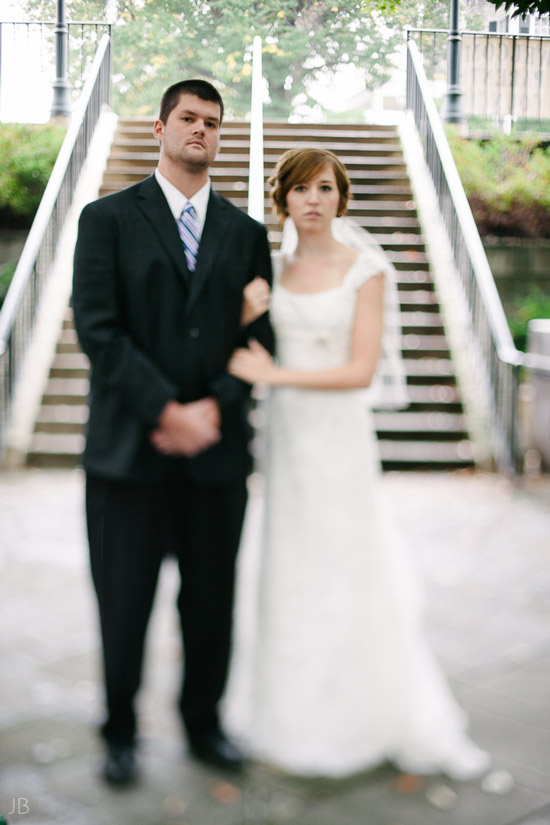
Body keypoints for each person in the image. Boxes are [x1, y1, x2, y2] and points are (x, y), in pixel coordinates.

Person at [224, 147, 491, 780]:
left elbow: (359, 371)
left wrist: (275, 374)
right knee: (287, 561)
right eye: (299, 189)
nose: (312, 200)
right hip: (286, 438)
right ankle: (283, 710)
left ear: (341, 198)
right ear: (282, 199)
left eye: (324, 188)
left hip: (336, 437)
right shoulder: (270, 270)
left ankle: (357, 714)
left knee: (342, 558)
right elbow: (233, 342)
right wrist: (243, 315)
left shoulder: (366, 269)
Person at [72, 78, 273, 785]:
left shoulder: (247, 235)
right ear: (160, 129)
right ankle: (120, 731)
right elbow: (99, 329)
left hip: (216, 461)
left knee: (211, 601)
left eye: (214, 123)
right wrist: (167, 410)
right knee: (123, 602)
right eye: (189, 118)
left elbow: (261, 337)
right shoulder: (106, 220)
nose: (202, 131)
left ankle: (204, 722)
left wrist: (212, 410)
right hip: (129, 454)